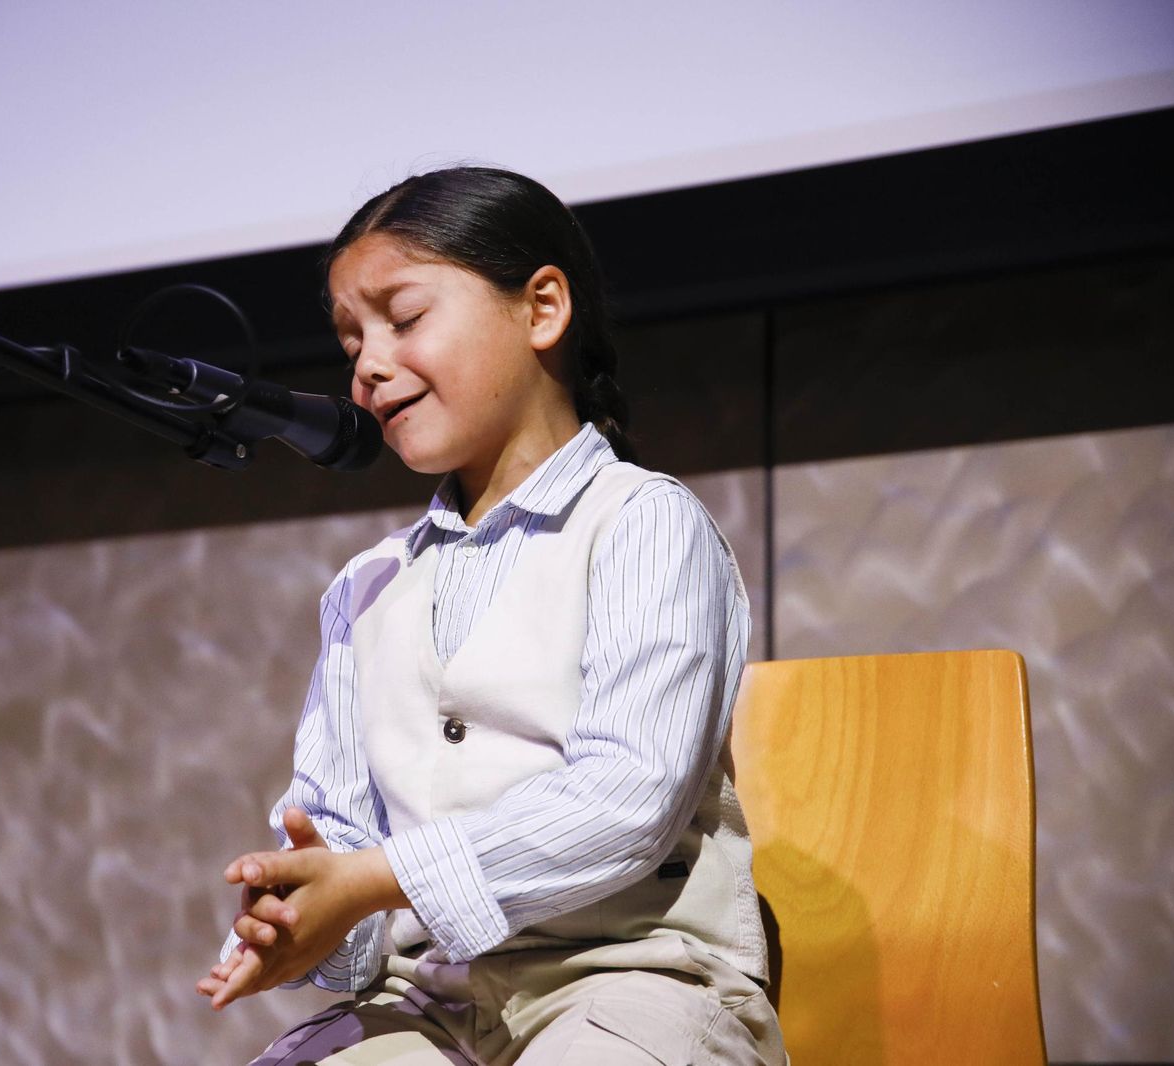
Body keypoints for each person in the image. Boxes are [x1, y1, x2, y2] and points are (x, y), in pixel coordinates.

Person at [195, 167, 785, 1065]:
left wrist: (371, 880)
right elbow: (342, 846)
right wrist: (308, 919)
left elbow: (627, 798)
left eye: (404, 317)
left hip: (633, 983)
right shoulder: (367, 585)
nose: (369, 365)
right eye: (351, 340)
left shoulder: (643, 521)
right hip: (427, 1002)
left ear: (543, 307)